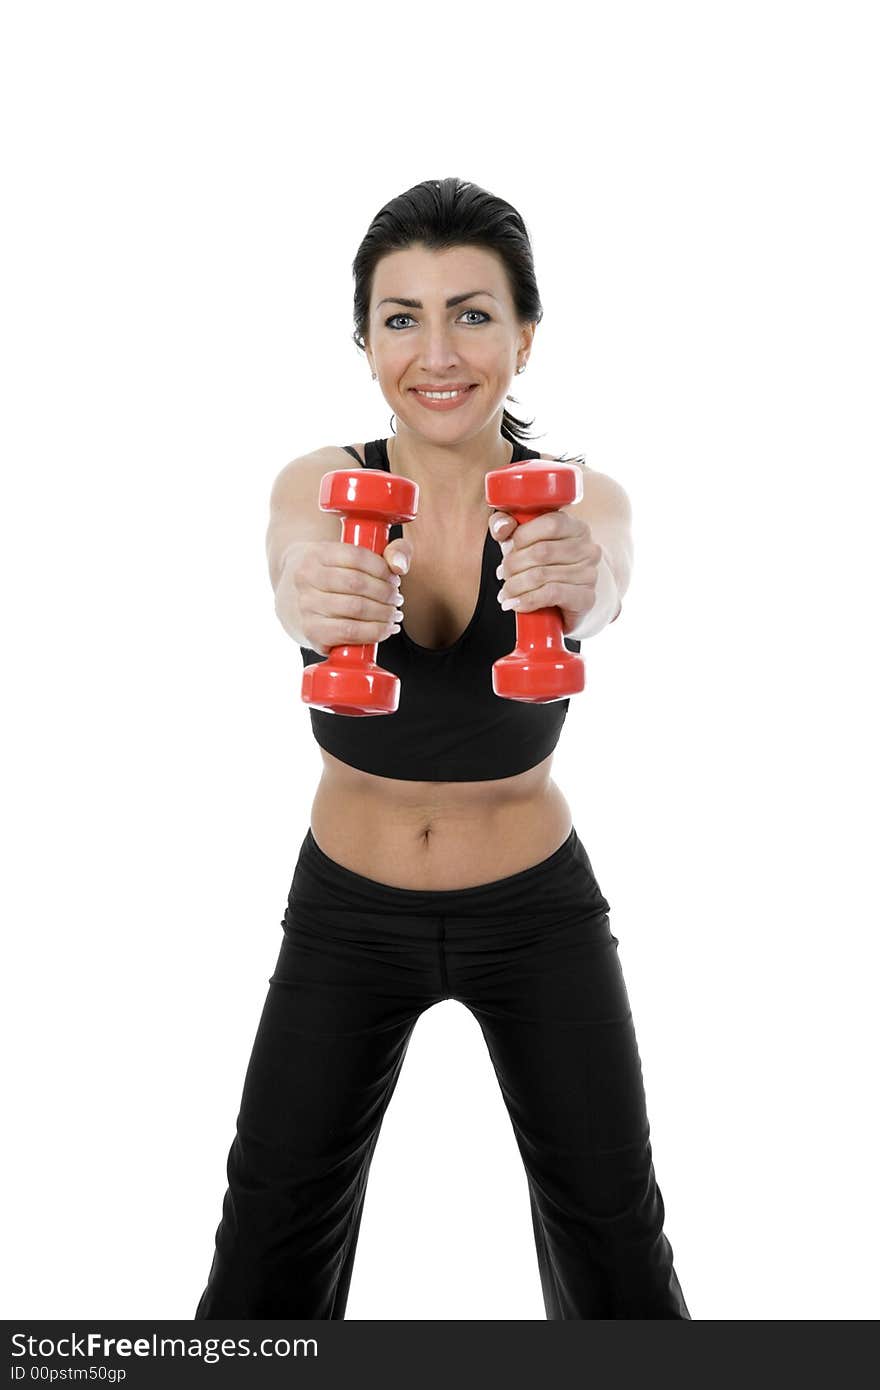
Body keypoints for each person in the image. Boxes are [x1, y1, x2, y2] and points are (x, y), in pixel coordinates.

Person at [194, 177, 691, 1320]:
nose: (437, 351)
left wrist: (587, 586)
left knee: (615, 1241)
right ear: (365, 339)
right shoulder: (321, 487)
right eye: (400, 317)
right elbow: (294, 563)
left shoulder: (578, 502)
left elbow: (603, 572)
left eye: (472, 312)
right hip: (345, 909)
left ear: (525, 332)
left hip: (536, 912)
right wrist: (307, 593)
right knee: (268, 1237)